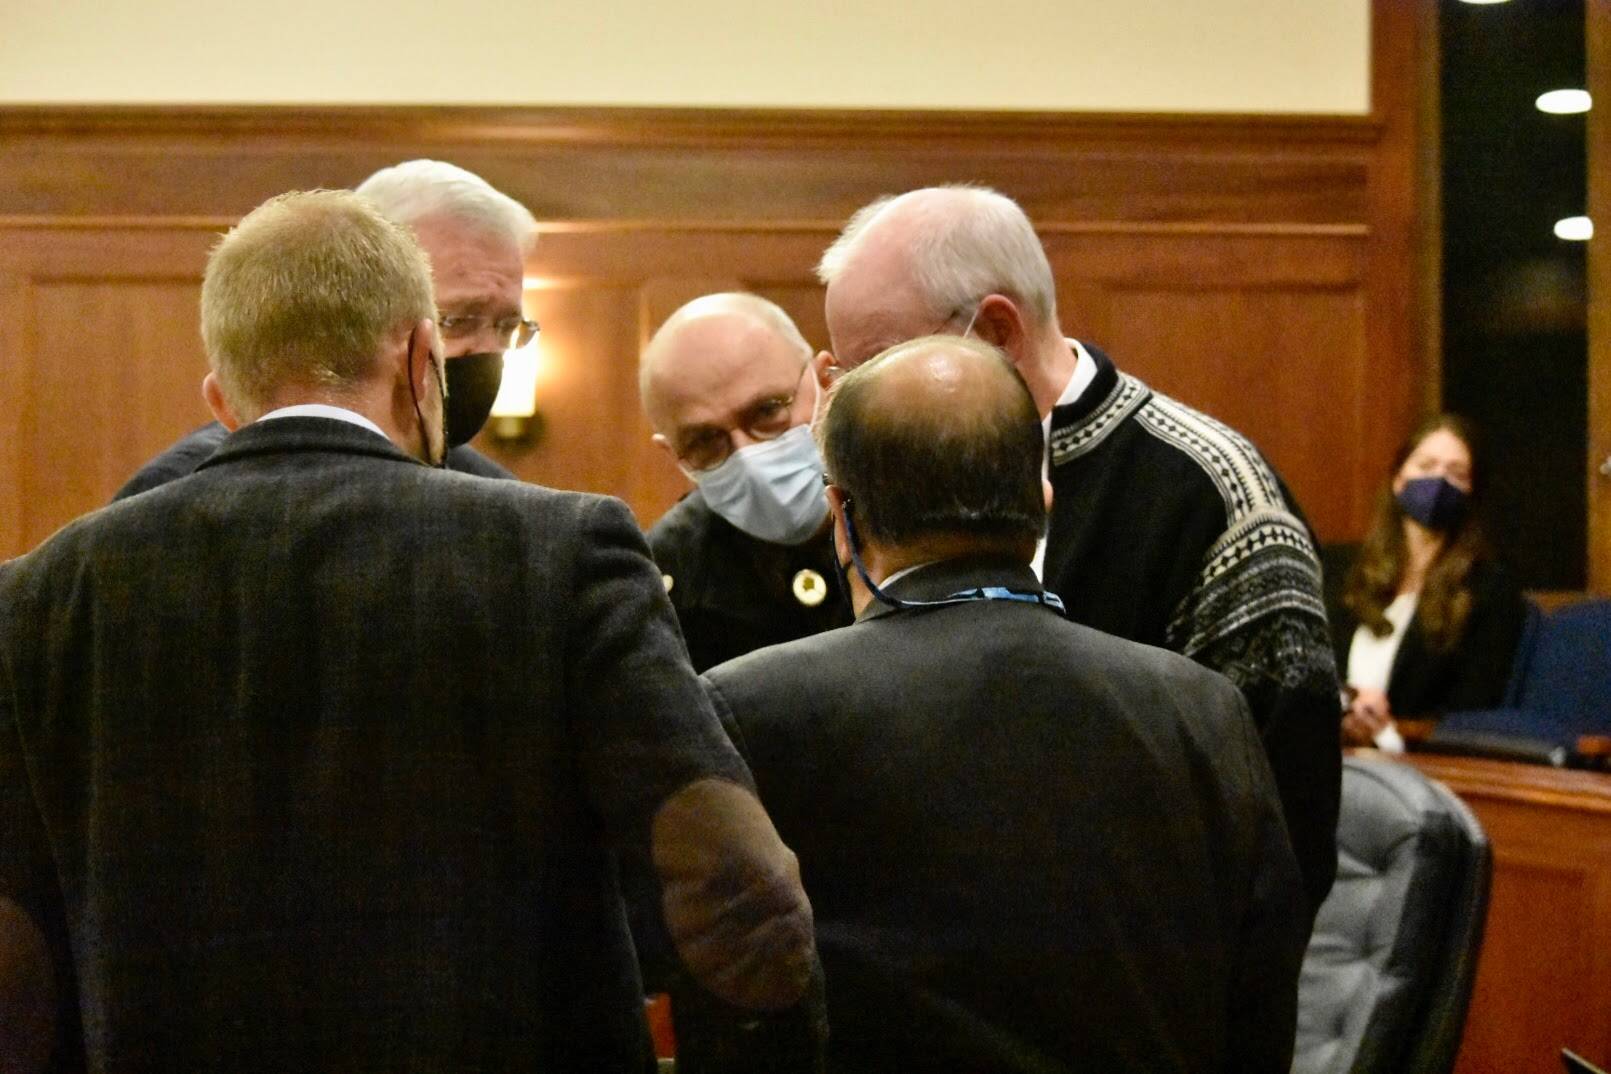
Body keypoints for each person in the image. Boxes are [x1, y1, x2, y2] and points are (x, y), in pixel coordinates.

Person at [0, 190, 821, 1072]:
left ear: (223, 399)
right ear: (425, 358)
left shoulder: (38, 599)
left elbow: (16, 954)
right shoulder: (560, 553)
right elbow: (732, 881)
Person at [706, 335, 1307, 1073]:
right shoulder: (1202, 710)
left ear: (840, 516)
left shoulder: (748, 710)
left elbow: (732, 1013)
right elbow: (1261, 998)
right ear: (1043, 499)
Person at [814, 184, 1341, 918]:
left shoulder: (1211, 494)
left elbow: (1279, 839)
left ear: (996, 332)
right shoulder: (877, 488)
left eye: (875, 365)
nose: (855, 404)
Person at [113, 159, 528, 499]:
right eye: (456, 320)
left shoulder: (502, 503)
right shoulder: (179, 493)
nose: (487, 349)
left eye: (507, 325)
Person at [640, 293, 853, 671]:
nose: (748, 457)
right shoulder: (664, 583)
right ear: (674, 455)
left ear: (827, 380)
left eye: (768, 410)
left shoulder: (912, 506)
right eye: (705, 440)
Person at [1329, 414, 1528, 748]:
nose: (1439, 480)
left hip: (1416, 763)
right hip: (1328, 753)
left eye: (1456, 473)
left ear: (1471, 492)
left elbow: (1473, 710)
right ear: (1398, 479)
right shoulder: (1340, 570)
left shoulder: (1490, 591)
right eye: (1426, 465)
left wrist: (1384, 730)